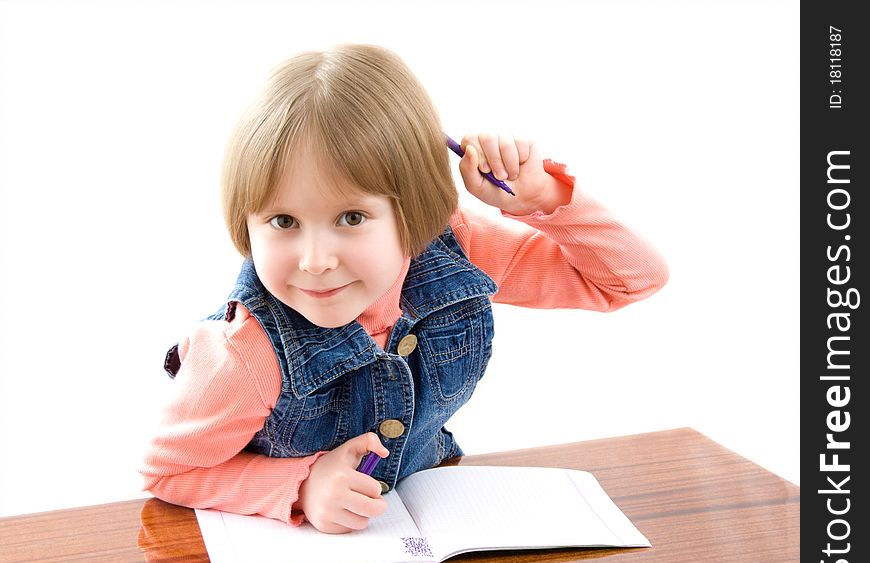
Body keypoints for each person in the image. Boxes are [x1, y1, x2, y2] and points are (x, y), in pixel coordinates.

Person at [139, 44, 668, 534]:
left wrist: (540, 197)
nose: (315, 261)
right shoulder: (243, 353)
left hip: (434, 524)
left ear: (417, 211)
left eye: (350, 216)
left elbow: (631, 279)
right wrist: (300, 484)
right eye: (282, 221)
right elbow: (166, 471)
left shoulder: (454, 248)